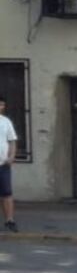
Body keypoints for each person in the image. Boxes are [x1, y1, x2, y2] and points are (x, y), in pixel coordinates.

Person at [0, 94, 18, 232]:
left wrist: (11, 156)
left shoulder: (6, 122)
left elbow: (12, 141)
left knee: (6, 193)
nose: (1, 107)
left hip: (3, 164)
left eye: (2, 105)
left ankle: (9, 220)